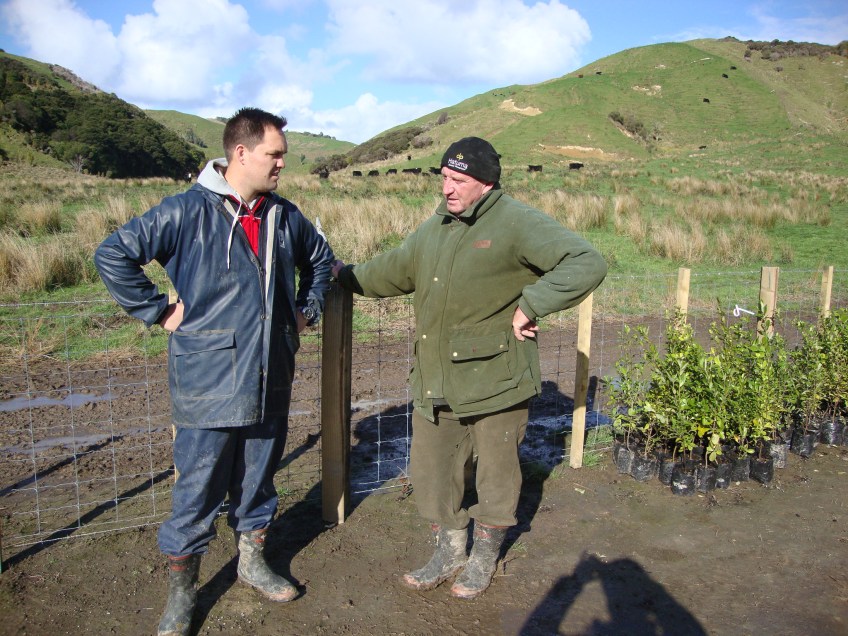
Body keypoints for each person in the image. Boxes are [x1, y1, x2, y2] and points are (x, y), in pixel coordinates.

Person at [332, 137, 607, 600]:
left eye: (458, 180)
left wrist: (532, 305)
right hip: (436, 379)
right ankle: (449, 551)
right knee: (432, 472)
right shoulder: (435, 227)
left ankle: (483, 558)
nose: (448, 188)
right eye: (444, 177)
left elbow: (586, 261)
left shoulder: (516, 221)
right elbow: (391, 270)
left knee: (497, 476)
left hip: (497, 379)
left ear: (486, 182)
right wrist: (344, 273)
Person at [95, 107, 335, 635]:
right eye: (275, 155)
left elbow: (321, 261)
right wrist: (159, 310)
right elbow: (113, 254)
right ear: (241, 153)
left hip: (271, 375)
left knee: (258, 482)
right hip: (207, 380)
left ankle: (252, 563)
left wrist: (306, 310)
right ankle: (183, 595)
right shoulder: (185, 211)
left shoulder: (284, 215)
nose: (282, 164)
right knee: (197, 491)